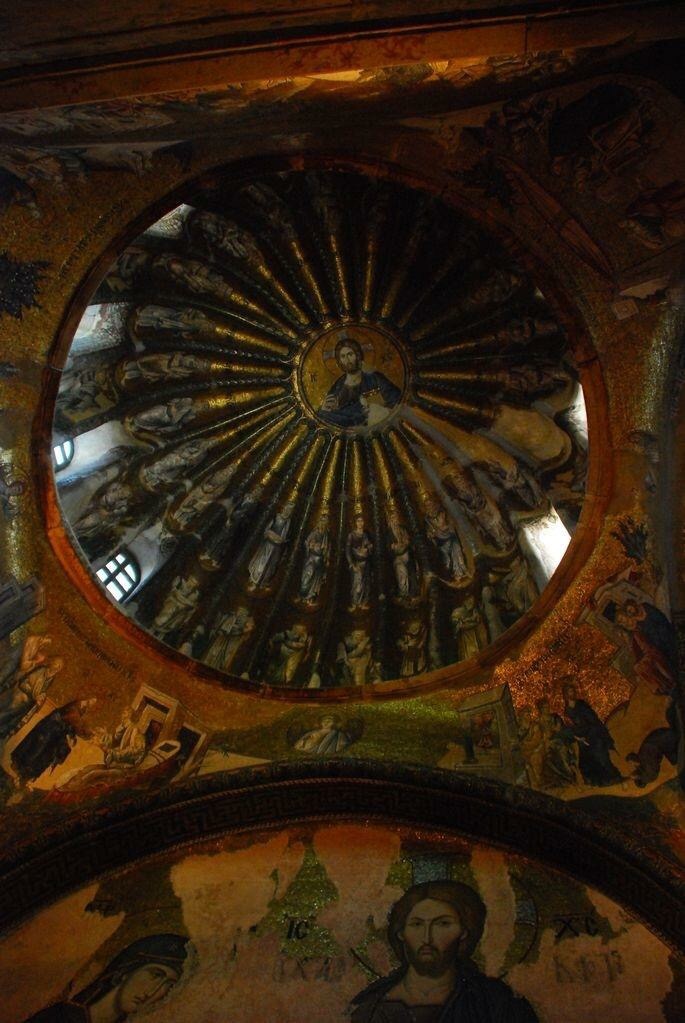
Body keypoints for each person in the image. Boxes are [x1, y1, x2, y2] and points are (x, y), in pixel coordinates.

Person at [349, 881, 538, 1022]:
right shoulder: (369, 1006)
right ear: (401, 933)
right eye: (416, 924)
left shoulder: (496, 1003)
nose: (427, 938)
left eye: (443, 924)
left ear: (464, 932)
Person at [25, 932, 189, 1021]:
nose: (154, 991)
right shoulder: (60, 1018)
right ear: (124, 973)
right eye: (155, 974)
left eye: (169, 985)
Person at [318, 337, 401, 428]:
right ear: (339, 361)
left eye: (350, 354)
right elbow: (331, 410)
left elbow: (396, 400)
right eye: (343, 356)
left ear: (358, 355)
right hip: (344, 425)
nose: (347, 360)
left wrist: (377, 410)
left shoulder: (374, 378)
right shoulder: (338, 384)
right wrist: (325, 409)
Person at [11, 698, 96, 787]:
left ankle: (27, 776)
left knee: (47, 755)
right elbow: (75, 722)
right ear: (85, 701)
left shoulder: (80, 710)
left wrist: (74, 736)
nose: (88, 705)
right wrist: (89, 735)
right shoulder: (74, 708)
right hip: (50, 729)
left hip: (55, 731)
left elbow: (73, 725)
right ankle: (21, 774)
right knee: (36, 751)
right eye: (88, 703)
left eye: (90, 705)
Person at [562, 682, 623, 786]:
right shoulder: (567, 711)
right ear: (566, 695)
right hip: (583, 739)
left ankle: (613, 777)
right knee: (588, 760)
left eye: (573, 691)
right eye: (569, 692)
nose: (572, 693)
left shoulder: (581, 704)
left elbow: (592, 718)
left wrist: (592, 728)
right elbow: (571, 727)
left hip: (593, 733)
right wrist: (579, 736)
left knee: (601, 755)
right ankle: (600, 781)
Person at [247, 501, 295, 590]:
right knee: (261, 563)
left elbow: (285, 538)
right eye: (287, 508)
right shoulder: (276, 517)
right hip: (268, 544)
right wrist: (271, 534)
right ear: (284, 508)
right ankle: (254, 581)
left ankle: (264, 582)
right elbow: (267, 530)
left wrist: (278, 539)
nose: (287, 511)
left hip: (277, 548)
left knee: (271, 566)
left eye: (290, 510)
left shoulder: (289, 523)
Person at [299, 514, 330, 603]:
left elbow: (328, 548)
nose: (323, 523)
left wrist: (327, 558)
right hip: (311, 559)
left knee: (316, 579)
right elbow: (307, 542)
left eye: (325, 522)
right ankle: (302, 595)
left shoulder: (326, 535)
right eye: (322, 521)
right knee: (307, 577)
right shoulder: (315, 532)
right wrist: (311, 545)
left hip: (320, 560)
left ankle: (310, 597)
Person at [347, 515, 373, 610]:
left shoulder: (365, 535)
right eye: (358, 521)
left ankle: (363, 603)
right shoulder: (352, 535)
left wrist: (369, 548)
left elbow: (369, 547)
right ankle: (354, 603)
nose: (360, 523)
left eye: (362, 521)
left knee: (365, 584)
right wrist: (351, 563)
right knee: (356, 584)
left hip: (365, 563)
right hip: (356, 563)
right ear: (355, 523)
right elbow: (348, 551)